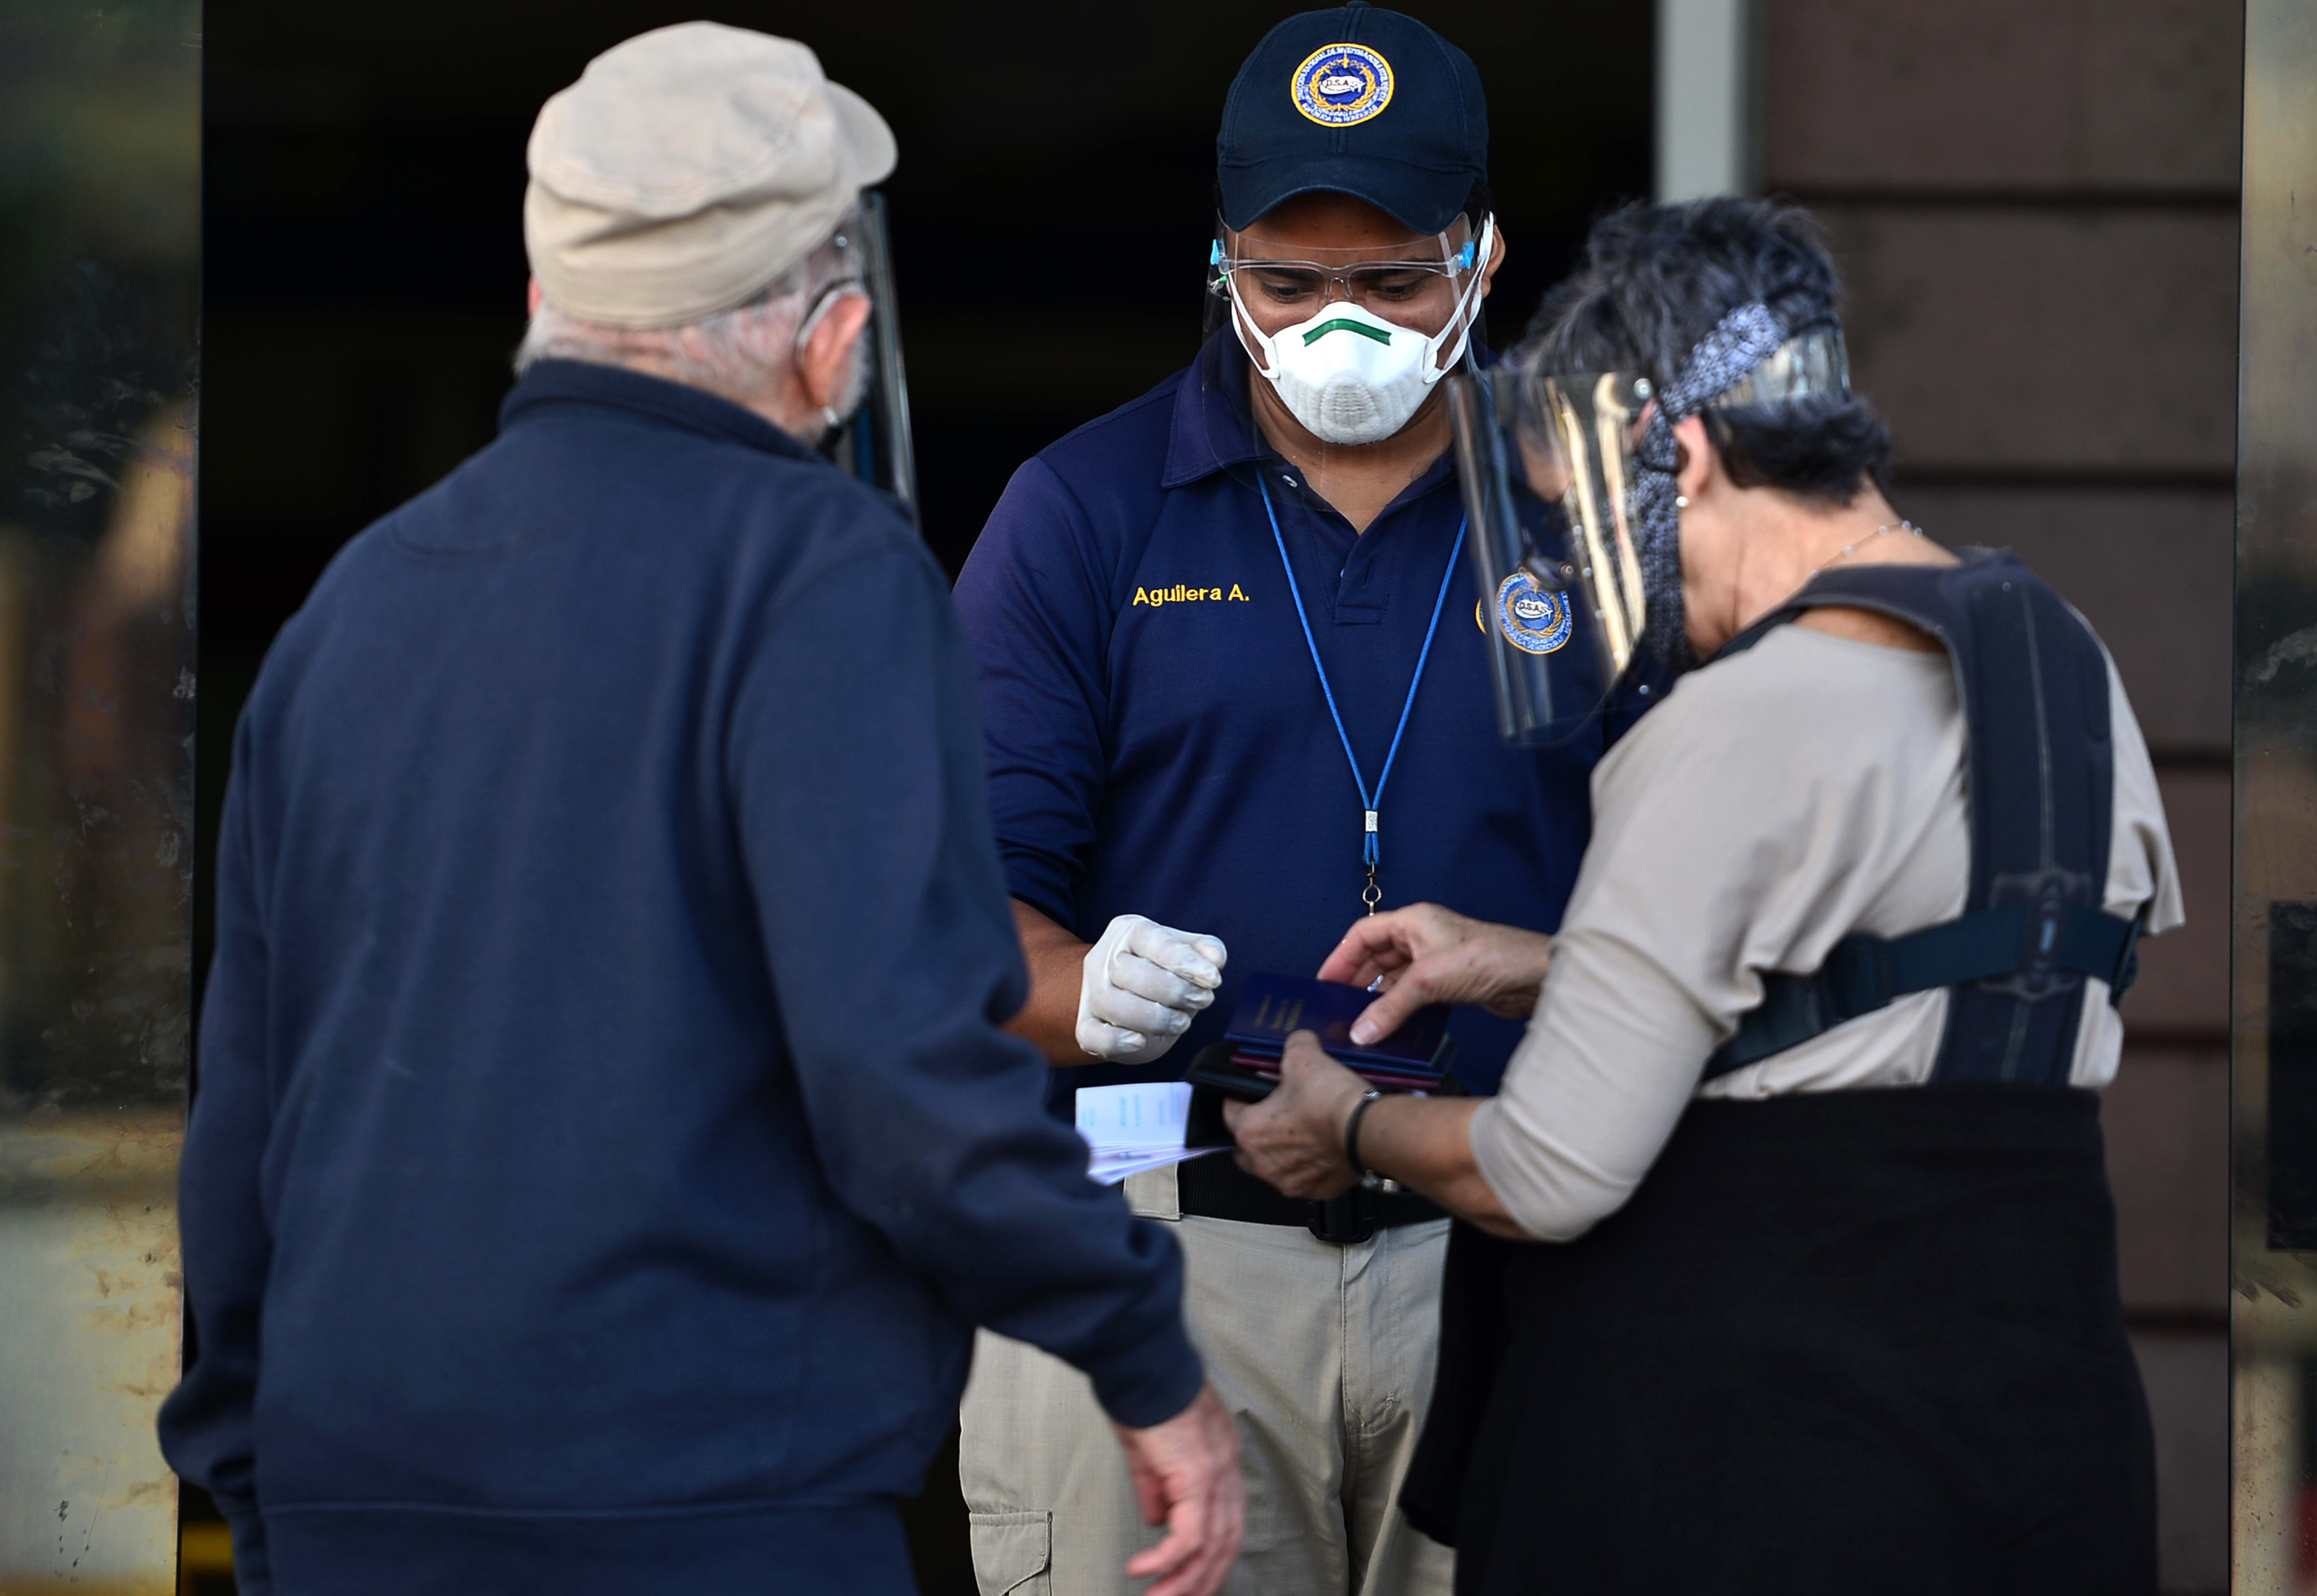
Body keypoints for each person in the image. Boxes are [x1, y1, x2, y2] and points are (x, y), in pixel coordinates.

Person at [156, 24, 1242, 1596]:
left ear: (548, 297)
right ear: (830, 332)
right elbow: (904, 1076)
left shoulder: (353, 606)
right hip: (709, 1507)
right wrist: (1143, 1347)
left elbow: (244, 1120)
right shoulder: (826, 574)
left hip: (355, 1505)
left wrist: (261, 1486)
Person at [1229, 195, 2181, 1593]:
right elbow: (1919, 979)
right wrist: (1535, 963)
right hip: (2036, 1454)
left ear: (1673, 455)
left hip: (1765, 1469)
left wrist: (1347, 1119)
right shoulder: (2060, 659)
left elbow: (1544, 1176)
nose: (1587, 568)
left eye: (1582, 517)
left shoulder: (1734, 723)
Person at [951, 8, 1616, 1594]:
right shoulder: (1083, 510)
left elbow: (1720, 900)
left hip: (1518, 1249)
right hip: (1160, 1250)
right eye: (1289, 282)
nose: (1341, 325)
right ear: (1220, 262)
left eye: (1393, 280)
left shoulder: (1596, 507)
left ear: (1483, 257)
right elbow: (950, 920)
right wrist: (1080, 987)